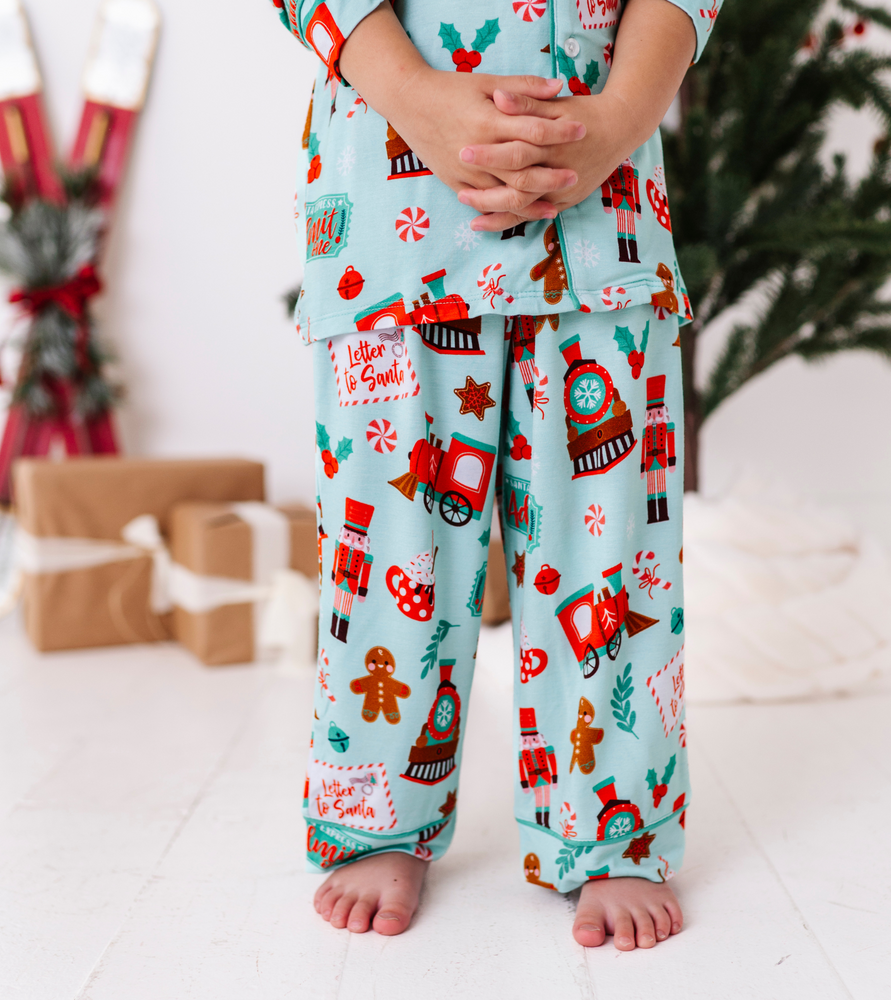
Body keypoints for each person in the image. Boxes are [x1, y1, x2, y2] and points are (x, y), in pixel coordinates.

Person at [271, 0, 720, 952]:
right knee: (392, 548)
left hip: (603, 221)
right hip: (396, 227)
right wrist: (417, 99)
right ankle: (378, 812)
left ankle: (612, 825)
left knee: (610, 558)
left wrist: (625, 118)